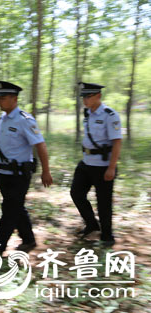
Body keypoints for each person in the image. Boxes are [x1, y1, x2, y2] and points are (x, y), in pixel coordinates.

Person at [0, 81, 53, 255]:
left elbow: (40, 145)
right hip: (3, 174)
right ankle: (28, 239)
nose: (0, 101)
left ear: (14, 99)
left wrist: (46, 171)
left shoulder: (24, 120)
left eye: (3, 98)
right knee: (16, 207)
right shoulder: (1, 120)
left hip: (20, 175)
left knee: (9, 209)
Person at [70, 82, 122, 246]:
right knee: (76, 193)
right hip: (86, 163)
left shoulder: (110, 115)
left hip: (103, 166)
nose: (85, 99)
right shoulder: (87, 114)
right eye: (83, 96)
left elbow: (117, 142)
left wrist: (111, 167)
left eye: (88, 96)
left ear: (98, 96)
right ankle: (91, 223)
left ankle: (107, 237)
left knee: (103, 203)